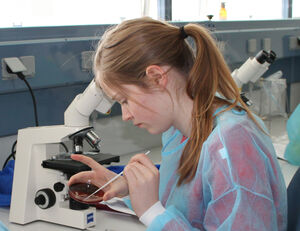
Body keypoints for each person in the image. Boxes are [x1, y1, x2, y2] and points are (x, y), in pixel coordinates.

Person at [68, 17, 287, 230]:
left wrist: (151, 211)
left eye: (124, 100)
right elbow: (182, 205)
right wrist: (129, 187)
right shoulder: (179, 132)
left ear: (156, 77)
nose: (125, 115)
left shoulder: (230, 144)